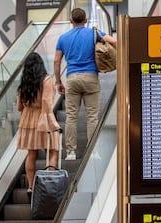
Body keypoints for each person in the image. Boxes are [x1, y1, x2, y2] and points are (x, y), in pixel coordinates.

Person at [54, 7, 117, 161]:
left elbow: (57, 60)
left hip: (72, 78)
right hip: (91, 77)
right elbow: (115, 41)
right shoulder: (93, 33)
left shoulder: (63, 38)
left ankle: (70, 152)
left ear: (71, 21)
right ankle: (93, 152)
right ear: (86, 20)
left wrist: (58, 81)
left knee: (71, 117)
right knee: (92, 117)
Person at [17, 52, 61, 195]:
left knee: (31, 154)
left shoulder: (24, 84)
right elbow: (46, 103)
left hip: (27, 119)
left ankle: (30, 186)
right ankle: (49, 182)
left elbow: (19, 107)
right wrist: (50, 121)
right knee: (53, 149)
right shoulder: (46, 80)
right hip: (43, 117)